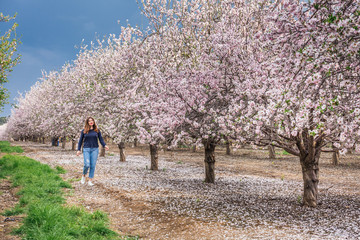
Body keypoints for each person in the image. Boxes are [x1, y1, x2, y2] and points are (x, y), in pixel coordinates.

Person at [77, 117, 109, 186]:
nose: (91, 122)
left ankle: (90, 180)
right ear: (87, 122)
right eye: (89, 121)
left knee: (92, 165)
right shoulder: (84, 131)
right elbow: (80, 141)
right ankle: (83, 175)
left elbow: (101, 139)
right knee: (87, 164)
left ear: (94, 122)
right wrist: (78, 150)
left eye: (92, 120)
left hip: (95, 149)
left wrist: (104, 145)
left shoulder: (97, 131)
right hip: (86, 149)